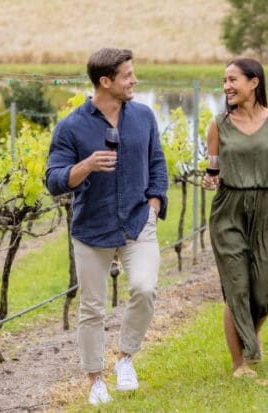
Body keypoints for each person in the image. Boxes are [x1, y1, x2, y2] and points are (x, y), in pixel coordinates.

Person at [45, 48, 168, 404]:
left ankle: (125, 358)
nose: (134, 80)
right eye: (128, 75)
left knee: (145, 289)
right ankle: (95, 379)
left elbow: (157, 162)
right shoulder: (71, 127)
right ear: (105, 81)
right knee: (92, 309)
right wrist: (85, 166)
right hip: (92, 229)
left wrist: (154, 202)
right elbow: (53, 180)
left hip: (136, 221)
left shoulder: (143, 116)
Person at [201, 58, 268, 378]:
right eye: (224, 80)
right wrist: (209, 178)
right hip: (230, 208)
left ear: (254, 82)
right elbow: (212, 168)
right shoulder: (217, 125)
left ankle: (250, 337)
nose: (226, 86)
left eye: (233, 79)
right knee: (237, 286)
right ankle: (240, 363)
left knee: (263, 291)